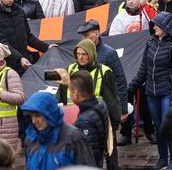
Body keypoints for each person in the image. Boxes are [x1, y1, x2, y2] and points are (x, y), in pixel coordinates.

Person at [128, 12, 172, 170]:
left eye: (157, 24)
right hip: (151, 92)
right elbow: (143, 69)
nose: (153, 27)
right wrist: (131, 86)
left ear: (165, 26)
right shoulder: (150, 42)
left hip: (167, 92)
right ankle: (162, 158)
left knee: (169, 125)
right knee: (158, 126)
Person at [55, 39, 121, 170]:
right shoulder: (70, 69)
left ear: (91, 54)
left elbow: (112, 100)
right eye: (78, 54)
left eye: (84, 54)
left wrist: (113, 125)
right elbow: (60, 96)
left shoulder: (104, 71)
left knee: (102, 155)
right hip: (72, 121)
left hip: (96, 118)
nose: (80, 57)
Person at [21, 92, 95, 170]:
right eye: (31, 116)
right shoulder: (31, 139)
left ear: (50, 113)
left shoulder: (73, 137)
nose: (34, 121)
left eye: (37, 115)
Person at [0, 0, 51, 75]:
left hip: (24, 60)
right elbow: (2, 43)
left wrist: (46, 47)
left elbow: (28, 36)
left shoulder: (19, 12)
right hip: (6, 64)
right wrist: (19, 58)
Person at [70, 70, 110, 167]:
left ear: (75, 94)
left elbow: (87, 154)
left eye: (70, 91)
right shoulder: (100, 103)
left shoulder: (84, 122)